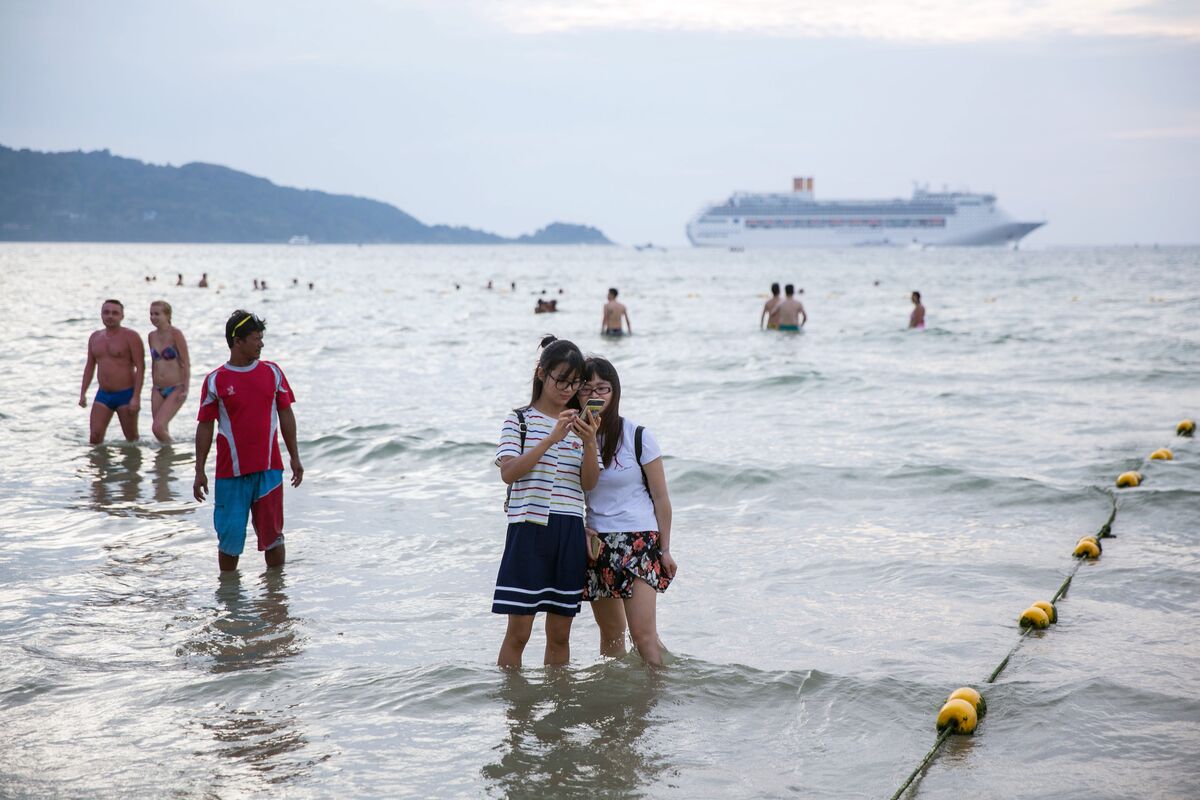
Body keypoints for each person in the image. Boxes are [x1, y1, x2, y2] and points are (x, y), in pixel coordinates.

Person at [493, 335, 601, 668]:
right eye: (561, 380)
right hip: (528, 529)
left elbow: (589, 484)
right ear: (541, 373)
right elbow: (509, 472)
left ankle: (558, 710)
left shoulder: (581, 425)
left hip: (568, 529)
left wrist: (590, 442)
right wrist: (551, 439)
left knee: (559, 635)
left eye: (574, 383)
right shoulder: (519, 420)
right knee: (519, 633)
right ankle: (515, 712)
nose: (568, 389)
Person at [579, 357, 676, 667]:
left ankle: (657, 700)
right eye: (586, 388)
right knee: (611, 635)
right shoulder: (572, 438)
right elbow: (569, 495)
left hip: (639, 541)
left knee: (643, 635)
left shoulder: (638, 436)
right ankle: (617, 703)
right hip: (597, 545)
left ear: (615, 391)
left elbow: (661, 498)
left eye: (603, 387)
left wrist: (666, 550)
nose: (595, 394)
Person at [193, 311, 304, 573]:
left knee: (274, 539)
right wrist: (199, 470)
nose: (261, 344)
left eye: (261, 338)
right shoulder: (215, 380)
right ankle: (230, 602)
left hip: (269, 472)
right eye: (256, 338)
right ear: (237, 341)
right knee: (229, 543)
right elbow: (205, 426)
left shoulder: (273, 373)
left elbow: (286, 414)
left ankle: (275, 597)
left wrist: (294, 456)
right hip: (230, 475)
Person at [79, 299, 144, 444]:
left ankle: (134, 466)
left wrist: (136, 397)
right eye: (106, 312)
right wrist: (83, 392)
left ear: (122, 316)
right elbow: (90, 366)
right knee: (95, 438)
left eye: (115, 313)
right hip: (103, 394)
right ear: (101, 315)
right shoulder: (95, 337)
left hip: (126, 394)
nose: (110, 316)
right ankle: (98, 467)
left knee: (132, 440)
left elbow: (140, 367)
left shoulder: (131, 336)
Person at [147, 300, 191, 443]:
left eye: (157, 314)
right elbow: (154, 362)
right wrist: (153, 385)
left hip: (176, 387)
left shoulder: (175, 334)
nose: (153, 317)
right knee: (161, 429)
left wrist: (185, 388)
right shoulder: (151, 336)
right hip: (157, 389)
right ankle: (164, 463)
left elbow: (185, 362)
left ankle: (174, 450)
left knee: (157, 428)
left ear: (167, 315)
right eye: (151, 314)